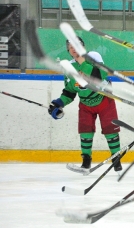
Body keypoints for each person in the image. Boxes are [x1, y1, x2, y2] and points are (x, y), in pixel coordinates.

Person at [49, 36, 122, 174]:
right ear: (69, 51)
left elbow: (101, 75)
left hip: (104, 100)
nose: (73, 49)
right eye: (71, 48)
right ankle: (86, 162)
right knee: (85, 133)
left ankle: (117, 162)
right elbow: (70, 92)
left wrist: (83, 64)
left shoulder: (94, 57)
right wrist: (59, 103)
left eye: (76, 46)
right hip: (85, 105)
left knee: (110, 132)